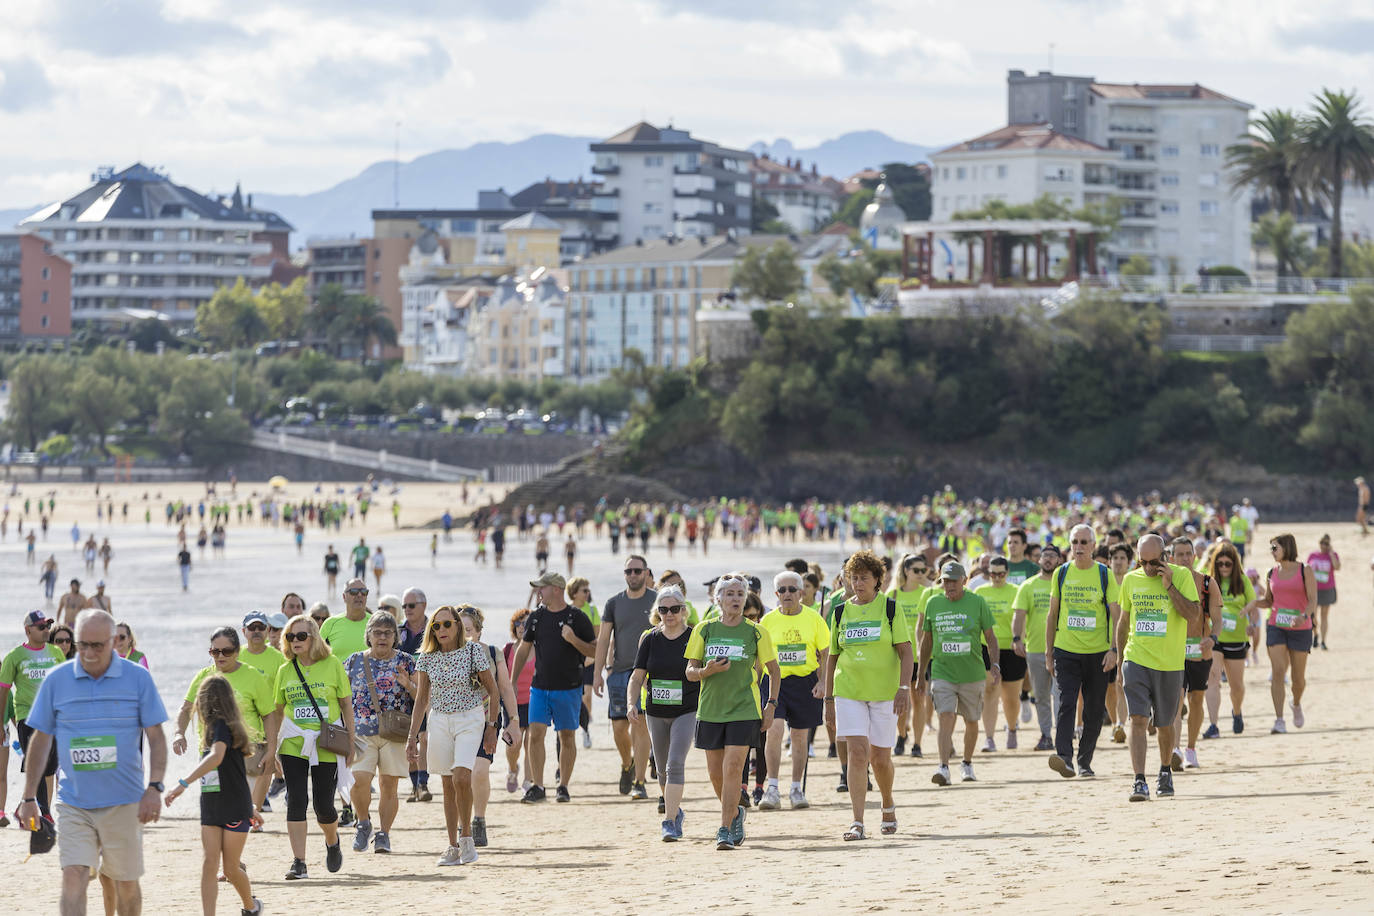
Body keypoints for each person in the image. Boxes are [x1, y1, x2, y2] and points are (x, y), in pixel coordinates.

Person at [16, 609, 169, 916]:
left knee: (125, 884)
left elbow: (155, 736)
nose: (87, 652)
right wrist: (29, 796)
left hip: (124, 803)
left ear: (114, 641)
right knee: (73, 876)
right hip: (74, 803)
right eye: (82, 644)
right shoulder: (57, 680)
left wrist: (154, 787)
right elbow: (41, 739)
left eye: (96, 645)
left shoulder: (137, 678)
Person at [686, 573, 779, 850]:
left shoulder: (756, 631)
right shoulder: (704, 629)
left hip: (744, 708)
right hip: (711, 710)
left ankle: (724, 829)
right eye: (730, 594)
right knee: (716, 773)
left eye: (740, 594)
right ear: (719, 599)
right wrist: (707, 670)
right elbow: (690, 672)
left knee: (733, 769)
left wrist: (771, 705)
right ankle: (735, 812)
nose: (735, 599)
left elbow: (774, 670)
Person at [405, 605, 501, 866]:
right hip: (439, 721)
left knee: (461, 776)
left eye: (447, 624)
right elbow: (422, 698)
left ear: (458, 625)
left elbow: (493, 691)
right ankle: (451, 845)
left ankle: (467, 837)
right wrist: (412, 737)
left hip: (470, 718)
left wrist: (492, 727)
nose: (442, 630)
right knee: (447, 783)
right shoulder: (426, 657)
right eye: (436, 626)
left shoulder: (472, 652)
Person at [826, 552, 912, 840]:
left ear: (878, 580)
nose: (858, 582)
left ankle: (887, 803)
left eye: (864, 577)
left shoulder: (889, 608)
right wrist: (828, 699)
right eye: (854, 577)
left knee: (880, 758)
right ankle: (857, 821)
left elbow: (905, 651)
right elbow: (832, 658)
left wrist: (904, 689)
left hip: (885, 692)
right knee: (857, 753)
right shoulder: (839, 612)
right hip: (848, 691)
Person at [163, 674, 263, 916]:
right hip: (212, 804)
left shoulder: (222, 727)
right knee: (210, 864)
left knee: (230, 868)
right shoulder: (212, 731)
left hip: (233, 807)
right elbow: (233, 773)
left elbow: (217, 758)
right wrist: (251, 806)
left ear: (206, 701)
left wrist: (182, 783)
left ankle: (251, 906)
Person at [1116, 535, 1200, 801]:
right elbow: (1123, 622)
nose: (1149, 568)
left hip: (1169, 664)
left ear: (1165, 556)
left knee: (1164, 724)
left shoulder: (1182, 576)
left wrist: (1169, 587)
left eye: (1154, 562)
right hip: (1136, 659)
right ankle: (1139, 780)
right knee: (1138, 719)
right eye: (1143, 562)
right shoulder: (1131, 580)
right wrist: (1120, 662)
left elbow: (1192, 614)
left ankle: (1164, 771)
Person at [273, 614, 355, 880]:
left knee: (324, 806)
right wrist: (272, 747)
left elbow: (345, 705)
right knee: (295, 800)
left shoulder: (332, 665)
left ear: (313, 638)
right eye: (290, 636)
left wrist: (351, 742)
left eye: (301, 636)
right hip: (294, 742)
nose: (295, 641)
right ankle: (299, 861)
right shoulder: (285, 670)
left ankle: (332, 840)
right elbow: (277, 711)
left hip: (326, 742)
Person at [172, 627, 278, 831]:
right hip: (209, 754)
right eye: (215, 652)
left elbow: (268, 715)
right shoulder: (204, 676)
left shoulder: (253, 676)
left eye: (226, 651)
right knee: (215, 813)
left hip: (246, 755)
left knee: (241, 815)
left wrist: (272, 751)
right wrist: (179, 733)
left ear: (237, 651)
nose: (220, 656)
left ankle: (235, 859)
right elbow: (186, 709)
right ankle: (233, 860)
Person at [510, 572, 597, 803]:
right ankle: (538, 785)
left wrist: (573, 640)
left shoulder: (576, 617)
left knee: (567, 736)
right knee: (535, 735)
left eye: (542, 588)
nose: (539, 592)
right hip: (539, 688)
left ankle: (563, 786)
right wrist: (511, 681)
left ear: (556, 589)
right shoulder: (536, 617)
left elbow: (594, 650)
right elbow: (523, 650)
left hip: (569, 688)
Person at [1044, 524, 1120, 779]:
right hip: (1066, 650)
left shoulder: (1104, 574)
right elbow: (1052, 614)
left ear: (1094, 545)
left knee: (1094, 709)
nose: (1079, 547)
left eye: (1084, 542)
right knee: (1066, 702)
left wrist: (1114, 649)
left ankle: (1085, 760)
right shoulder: (1061, 573)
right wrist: (1048, 652)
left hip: (1098, 653)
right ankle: (1064, 757)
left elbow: (1116, 613)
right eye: (1075, 542)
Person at [628, 586, 699, 840]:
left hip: (686, 710)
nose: (669, 614)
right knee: (661, 769)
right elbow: (637, 677)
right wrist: (631, 703)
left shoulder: (694, 636)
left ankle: (668, 822)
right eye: (664, 609)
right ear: (657, 612)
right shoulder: (650, 639)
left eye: (674, 609)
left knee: (675, 763)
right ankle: (675, 810)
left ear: (683, 611)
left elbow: (703, 672)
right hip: (655, 711)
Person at [343, 611, 416, 856]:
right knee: (359, 779)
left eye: (388, 633)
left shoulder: (406, 661)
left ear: (395, 636)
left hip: (395, 731)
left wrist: (408, 685)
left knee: (388, 785)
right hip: (361, 731)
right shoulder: (353, 661)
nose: (382, 637)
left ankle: (383, 834)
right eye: (377, 633)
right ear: (369, 635)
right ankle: (363, 822)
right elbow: (340, 697)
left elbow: (422, 697)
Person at [918, 560, 995, 787]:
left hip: (972, 673)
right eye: (945, 581)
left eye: (953, 581)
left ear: (964, 580)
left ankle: (967, 762)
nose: (949, 585)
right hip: (942, 672)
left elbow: (990, 637)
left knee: (971, 720)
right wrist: (922, 673)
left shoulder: (977, 602)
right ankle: (943, 767)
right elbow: (927, 641)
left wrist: (995, 665)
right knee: (946, 717)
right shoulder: (933, 603)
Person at [758, 570, 829, 811]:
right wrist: (755, 685)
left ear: (801, 593)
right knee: (774, 731)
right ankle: (773, 788)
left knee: (800, 737)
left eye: (792, 590)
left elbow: (826, 653)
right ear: (776, 594)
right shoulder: (767, 621)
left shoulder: (814, 618)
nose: (787, 594)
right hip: (775, 683)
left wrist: (823, 682)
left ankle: (796, 788)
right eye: (782, 590)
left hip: (805, 682)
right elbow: (759, 659)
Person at [594, 555, 657, 800]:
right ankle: (627, 764)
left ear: (646, 572)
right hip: (619, 672)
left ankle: (640, 781)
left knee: (640, 723)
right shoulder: (613, 603)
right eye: (628, 571)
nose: (633, 575)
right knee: (619, 728)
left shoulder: (657, 600)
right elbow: (603, 640)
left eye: (637, 571)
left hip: (647, 673)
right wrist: (598, 672)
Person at [458, 605, 521, 848]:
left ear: (479, 631)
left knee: (480, 771)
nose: (465, 636)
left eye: (469, 630)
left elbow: (505, 688)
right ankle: (462, 823)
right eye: (460, 631)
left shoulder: (493, 653)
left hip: (488, 721)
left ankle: (479, 819)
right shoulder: (444, 655)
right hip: (455, 722)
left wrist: (514, 722)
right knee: (459, 776)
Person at [0, 611, 67, 819]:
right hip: (27, 717)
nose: (46, 630)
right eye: (41, 627)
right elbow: (3, 692)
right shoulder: (14, 657)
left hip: (53, 718)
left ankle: (24, 808)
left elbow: (65, 686)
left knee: (50, 767)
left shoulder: (56, 653)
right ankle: (45, 814)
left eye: (48, 626)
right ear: (28, 630)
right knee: (35, 764)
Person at [1169, 537, 1222, 769]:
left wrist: (1213, 638)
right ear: (1171, 558)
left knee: (1196, 699)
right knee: (1176, 701)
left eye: (1188, 554)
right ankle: (1175, 749)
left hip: (1199, 650)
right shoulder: (1165, 582)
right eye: (1179, 554)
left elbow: (1217, 619)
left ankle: (1191, 749)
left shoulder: (1207, 584)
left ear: (1195, 556)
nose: (1184, 558)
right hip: (1172, 651)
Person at [1258, 533, 1317, 734]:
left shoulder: (1304, 570)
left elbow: (1312, 600)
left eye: (1275, 548)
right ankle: (1279, 720)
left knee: (1298, 679)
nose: (1272, 552)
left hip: (1300, 629)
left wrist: (1304, 616)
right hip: (1276, 625)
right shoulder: (1271, 572)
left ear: (1287, 548)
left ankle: (1296, 702)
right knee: (1277, 671)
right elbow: (1268, 601)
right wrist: (1252, 604)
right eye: (1271, 549)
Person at [1012, 544, 1061, 751]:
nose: (1048, 559)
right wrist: (1016, 638)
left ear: (1059, 560)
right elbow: (1019, 614)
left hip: (1062, 648)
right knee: (1040, 695)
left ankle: (1062, 734)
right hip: (1035, 649)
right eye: (1045, 556)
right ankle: (1045, 735)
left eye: (1052, 556)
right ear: (1038, 561)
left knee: (1060, 694)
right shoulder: (1028, 586)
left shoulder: (1064, 583)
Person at [1207, 542, 1255, 734]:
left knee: (1236, 686)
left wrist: (1249, 614)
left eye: (1228, 563)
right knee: (1213, 679)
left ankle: (1236, 711)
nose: (1224, 567)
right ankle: (1213, 724)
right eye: (1220, 564)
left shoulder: (1242, 581)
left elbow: (1253, 600)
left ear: (1235, 564)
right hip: (1214, 638)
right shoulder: (1209, 580)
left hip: (1237, 639)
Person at [975, 556, 1021, 751]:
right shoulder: (979, 592)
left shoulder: (1016, 591)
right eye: (992, 574)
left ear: (1007, 573)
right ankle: (989, 738)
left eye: (1001, 574)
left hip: (1011, 648)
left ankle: (1011, 729)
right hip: (986, 648)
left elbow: (1021, 619)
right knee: (990, 691)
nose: (996, 577)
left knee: (1010, 697)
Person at [887, 554, 928, 757]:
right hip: (898, 657)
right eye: (916, 570)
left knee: (919, 700)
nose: (920, 574)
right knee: (901, 702)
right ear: (906, 571)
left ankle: (918, 744)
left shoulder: (927, 593)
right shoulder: (893, 594)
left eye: (924, 570)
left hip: (921, 656)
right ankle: (902, 735)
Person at [397, 587, 432, 802]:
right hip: (402, 691)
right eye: (404, 606)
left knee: (424, 737)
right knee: (407, 739)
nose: (407, 610)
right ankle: (414, 785)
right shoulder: (398, 632)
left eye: (411, 605)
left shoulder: (434, 628)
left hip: (428, 691)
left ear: (423, 605)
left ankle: (423, 783)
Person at [502, 609, 535, 793]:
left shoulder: (539, 649)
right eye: (518, 623)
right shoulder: (507, 650)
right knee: (514, 743)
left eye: (526, 623)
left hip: (533, 701)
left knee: (531, 741)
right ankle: (512, 769)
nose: (522, 627)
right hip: (512, 703)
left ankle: (528, 781)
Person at [567, 576, 599, 748]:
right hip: (571, 662)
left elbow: (598, 638)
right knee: (575, 698)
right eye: (584, 591)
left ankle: (586, 730)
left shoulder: (592, 610)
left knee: (587, 696)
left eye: (589, 590)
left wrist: (592, 658)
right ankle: (576, 725)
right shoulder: (567, 611)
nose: (587, 594)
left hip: (589, 659)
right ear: (574, 593)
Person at [320, 578, 372, 660]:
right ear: (344, 597)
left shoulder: (375, 622)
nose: (359, 595)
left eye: (364, 592)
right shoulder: (330, 624)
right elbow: (318, 655)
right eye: (354, 592)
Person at [1306, 534, 1339, 650]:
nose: (1324, 546)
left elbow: (1337, 567)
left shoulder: (1333, 555)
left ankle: (1324, 641)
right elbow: (1307, 571)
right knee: (1313, 615)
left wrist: (1331, 553)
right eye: (1322, 543)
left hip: (1327, 589)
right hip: (1314, 589)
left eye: (1326, 544)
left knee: (1324, 615)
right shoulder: (1313, 555)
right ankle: (1315, 634)